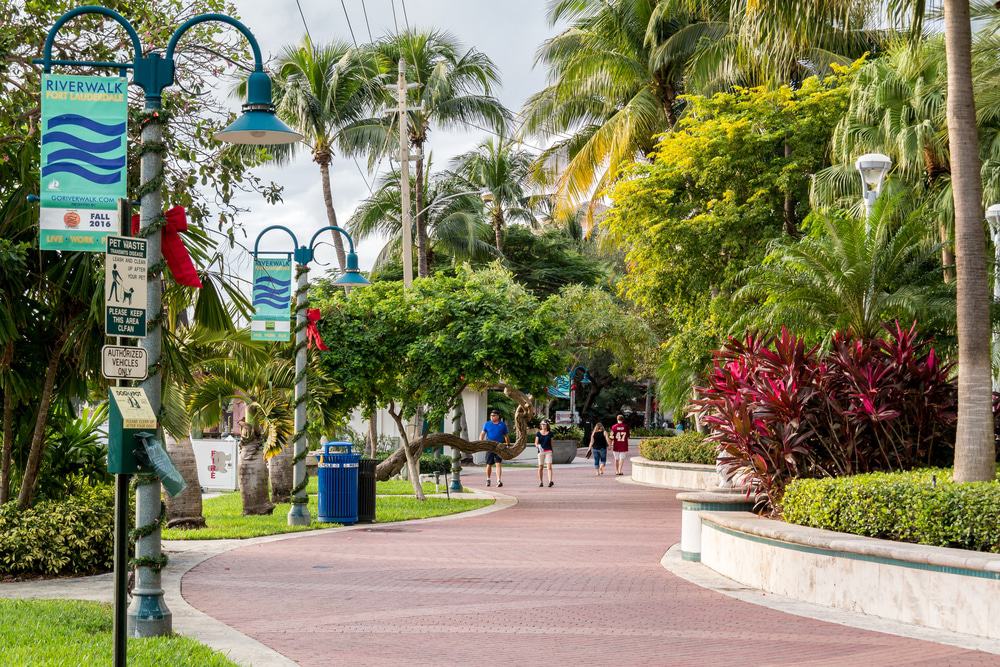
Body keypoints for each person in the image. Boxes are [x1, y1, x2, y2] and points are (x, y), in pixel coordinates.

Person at [480, 409, 509, 487]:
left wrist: (508, 444)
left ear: (498, 416)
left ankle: (499, 480)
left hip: (499, 447)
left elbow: (506, 436)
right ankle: (488, 479)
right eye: (491, 416)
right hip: (490, 446)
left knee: (498, 463)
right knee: (489, 464)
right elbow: (482, 434)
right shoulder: (487, 424)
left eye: (493, 415)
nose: (492, 417)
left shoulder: (502, 425)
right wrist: (480, 442)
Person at [535, 419, 555, 487]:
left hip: (548, 451)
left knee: (549, 467)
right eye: (541, 424)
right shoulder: (538, 433)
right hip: (541, 452)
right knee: (540, 467)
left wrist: (552, 451)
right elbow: (536, 443)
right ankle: (541, 482)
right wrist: (538, 446)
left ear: (547, 425)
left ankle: (550, 481)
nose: (542, 425)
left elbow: (552, 443)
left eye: (544, 424)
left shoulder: (550, 433)